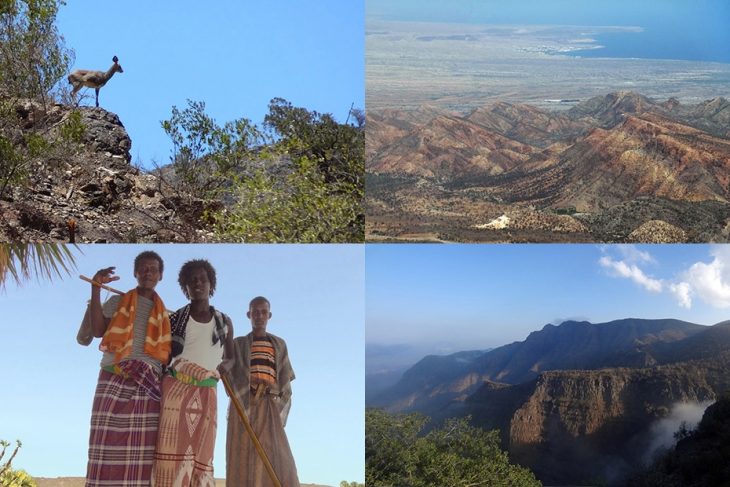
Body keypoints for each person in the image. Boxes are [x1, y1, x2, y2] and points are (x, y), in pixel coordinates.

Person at [84, 250, 171, 486]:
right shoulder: (118, 301)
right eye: (143, 268)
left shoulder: (166, 316)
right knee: (104, 444)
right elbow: (97, 332)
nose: (148, 273)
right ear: (135, 273)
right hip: (113, 375)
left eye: (153, 269)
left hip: (148, 385)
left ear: (160, 275)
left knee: (142, 454)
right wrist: (95, 287)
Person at [151, 259, 234, 486]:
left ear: (211, 285)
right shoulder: (175, 320)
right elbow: (164, 357)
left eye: (203, 279)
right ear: (185, 287)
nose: (198, 283)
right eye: (192, 280)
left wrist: (227, 365)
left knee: (202, 455)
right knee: (170, 454)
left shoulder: (224, 322)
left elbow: (231, 357)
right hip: (176, 393)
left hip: (208, 395)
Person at [224, 296, 300, 486]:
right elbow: (227, 371)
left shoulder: (279, 344)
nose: (259, 316)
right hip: (243, 405)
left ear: (269, 315)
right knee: (242, 455)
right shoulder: (237, 344)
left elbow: (284, 379)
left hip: (268, 405)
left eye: (263, 312)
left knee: (280, 458)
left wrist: (276, 404)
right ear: (249, 315)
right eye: (255, 312)